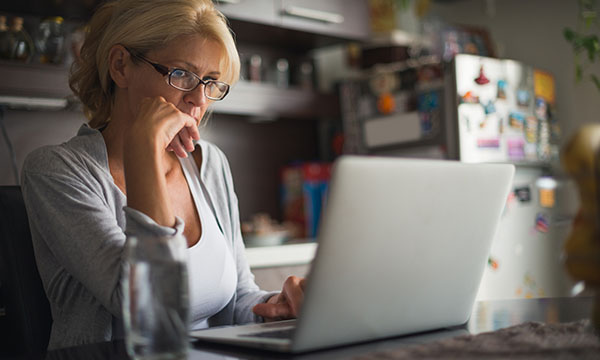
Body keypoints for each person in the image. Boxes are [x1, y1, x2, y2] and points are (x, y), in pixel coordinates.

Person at [21, 0, 305, 350]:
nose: (198, 100)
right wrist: (145, 149)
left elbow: (239, 297)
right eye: (181, 73)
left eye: (211, 82)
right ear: (120, 66)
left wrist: (274, 308)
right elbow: (147, 310)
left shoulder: (209, 162)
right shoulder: (56, 171)